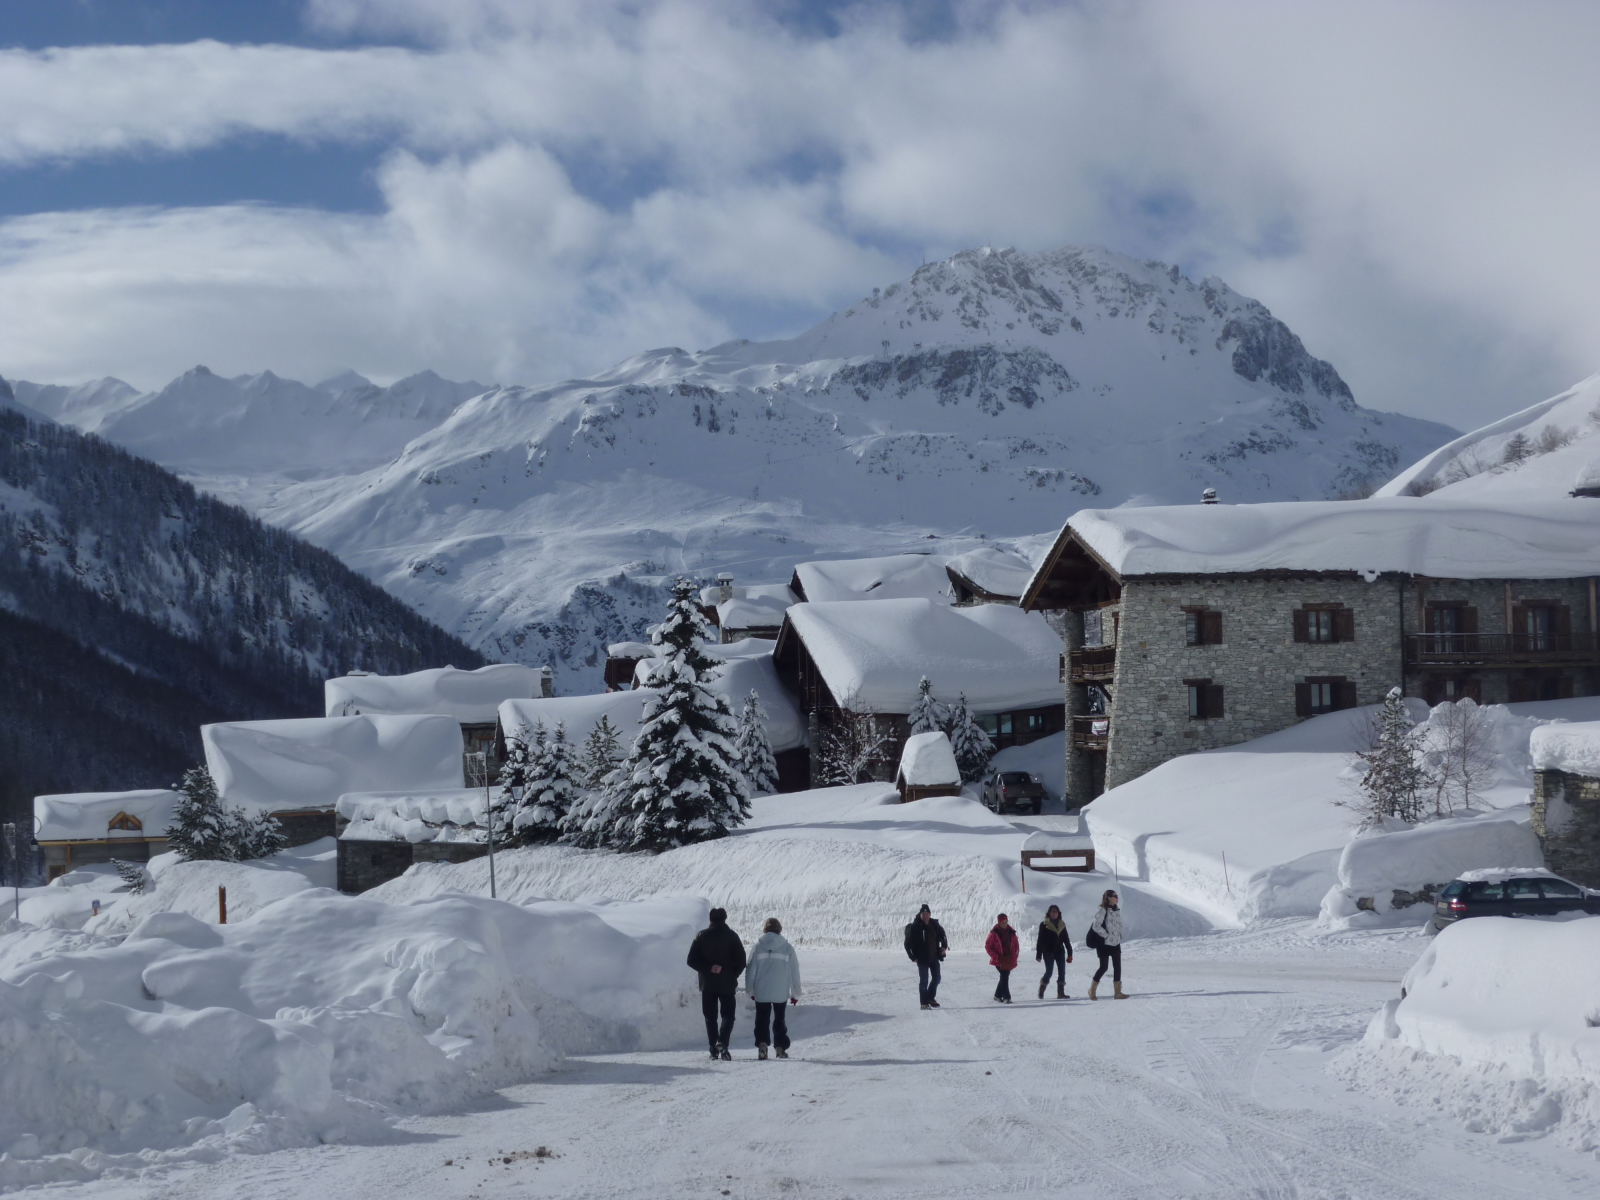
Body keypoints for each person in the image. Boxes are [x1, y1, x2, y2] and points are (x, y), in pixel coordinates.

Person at [687, 907, 747, 1059]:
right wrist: (732, 974)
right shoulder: (732, 936)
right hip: (727, 983)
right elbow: (741, 960)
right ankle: (723, 1042)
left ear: (710, 919)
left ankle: (713, 1048)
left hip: (707, 983)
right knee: (728, 1015)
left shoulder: (701, 935)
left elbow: (691, 960)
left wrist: (708, 968)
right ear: (725, 918)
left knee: (710, 1017)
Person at [744, 917, 801, 1060]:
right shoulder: (787, 947)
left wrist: (750, 990)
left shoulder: (758, 946)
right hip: (780, 991)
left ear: (765, 929)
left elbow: (750, 969)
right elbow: (794, 972)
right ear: (779, 929)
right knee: (779, 1019)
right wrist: (796, 994)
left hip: (762, 989)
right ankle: (780, 1047)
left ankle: (762, 1044)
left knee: (762, 1019)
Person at [903, 903, 948, 1010]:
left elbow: (943, 936)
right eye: (923, 914)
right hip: (922, 959)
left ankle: (930, 998)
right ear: (920, 914)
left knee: (937, 978)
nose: (925, 916)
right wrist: (912, 956)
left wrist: (944, 947)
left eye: (927, 914)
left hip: (934, 957)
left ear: (930, 914)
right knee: (924, 981)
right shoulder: (914, 927)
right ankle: (924, 1003)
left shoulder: (934, 924)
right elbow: (907, 944)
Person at [1088, 889, 1127, 1000]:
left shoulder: (1117, 910)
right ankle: (1092, 990)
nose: (1117, 898)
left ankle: (1118, 992)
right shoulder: (1102, 910)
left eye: (1117, 896)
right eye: (1115, 896)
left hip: (1115, 943)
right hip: (1104, 943)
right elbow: (1096, 925)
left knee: (1117, 967)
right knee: (1103, 967)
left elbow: (1118, 924)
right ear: (1109, 898)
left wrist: (1119, 935)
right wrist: (1106, 935)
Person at [1035, 904, 1073, 999]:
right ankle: (1042, 988)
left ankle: (1061, 993)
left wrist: (1070, 953)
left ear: (1058, 913)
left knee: (1062, 972)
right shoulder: (1044, 925)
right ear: (1049, 913)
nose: (1054, 913)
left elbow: (1066, 939)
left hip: (1060, 951)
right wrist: (1038, 954)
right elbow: (1040, 940)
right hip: (1048, 952)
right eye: (1052, 911)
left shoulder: (1061, 924)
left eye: (1055, 911)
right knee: (1049, 972)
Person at [985, 913, 1019, 1003]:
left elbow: (1016, 945)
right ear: (999, 923)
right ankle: (1006, 997)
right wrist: (996, 956)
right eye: (1003, 923)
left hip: (1009, 959)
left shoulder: (1011, 932)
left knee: (1004, 976)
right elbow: (988, 946)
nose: (1005, 924)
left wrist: (1015, 955)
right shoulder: (994, 933)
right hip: (999, 960)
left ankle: (997, 995)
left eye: (1006, 922)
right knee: (1004, 976)